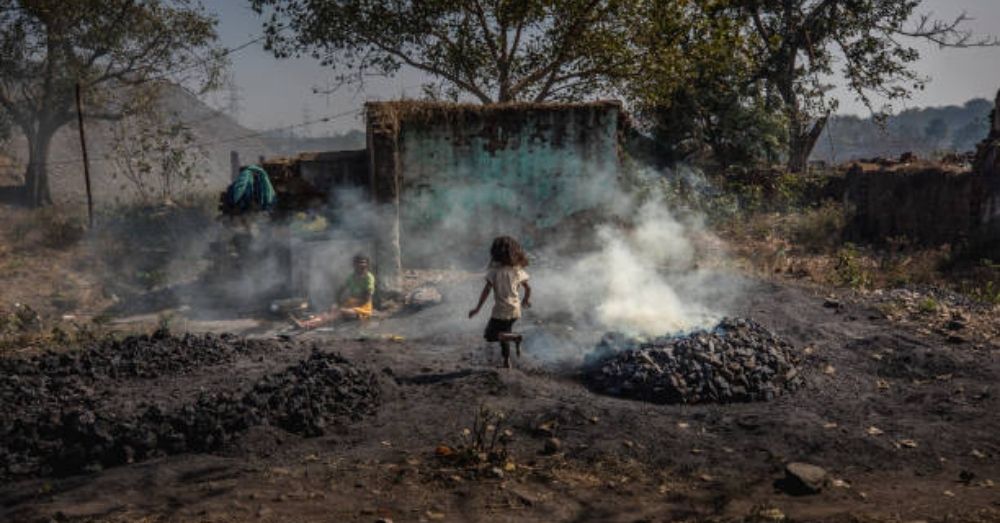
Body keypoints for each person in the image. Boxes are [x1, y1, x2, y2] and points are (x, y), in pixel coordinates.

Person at [468, 236, 532, 368]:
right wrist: (526, 300)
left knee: (490, 335)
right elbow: (528, 288)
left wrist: (477, 309)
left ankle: (516, 337)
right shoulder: (517, 270)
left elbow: (486, 292)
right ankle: (506, 362)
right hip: (515, 310)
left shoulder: (494, 272)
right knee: (504, 335)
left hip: (501, 310)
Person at [294, 254, 375, 329]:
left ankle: (308, 325)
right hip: (351, 304)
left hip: (363, 309)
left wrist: (346, 307)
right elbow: (340, 290)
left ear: (367, 264)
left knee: (338, 312)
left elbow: (366, 300)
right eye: (358, 263)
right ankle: (305, 322)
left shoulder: (369, 278)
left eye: (363, 263)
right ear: (354, 265)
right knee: (330, 311)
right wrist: (336, 303)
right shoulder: (351, 277)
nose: (361, 265)